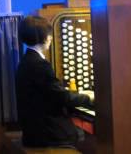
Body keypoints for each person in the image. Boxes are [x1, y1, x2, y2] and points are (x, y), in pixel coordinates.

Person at [15, 16, 93, 148]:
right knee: (81, 134)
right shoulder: (39, 65)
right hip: (47, 134)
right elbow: (61, 97)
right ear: (43, 37)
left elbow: (52, 92)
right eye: (48, 34)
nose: (50, 37)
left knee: (80, 130)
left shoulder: (26, 60)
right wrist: (88, 97)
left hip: (34, 131)